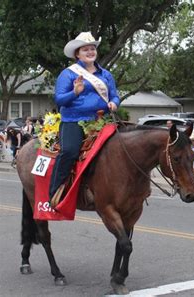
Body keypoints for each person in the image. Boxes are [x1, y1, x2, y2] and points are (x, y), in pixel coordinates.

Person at [49, 32, 120, 202]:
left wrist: (114, 103)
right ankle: (54, 192)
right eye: (85, 49)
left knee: (121, 149)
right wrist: (75, 92)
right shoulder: (68, 74)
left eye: (93, 48)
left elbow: (114, 95)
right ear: (77, 54)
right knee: (69, 152)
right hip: (74, 120)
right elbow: (59, 100)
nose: (90, 52)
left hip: (101, 121)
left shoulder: (106, 75)